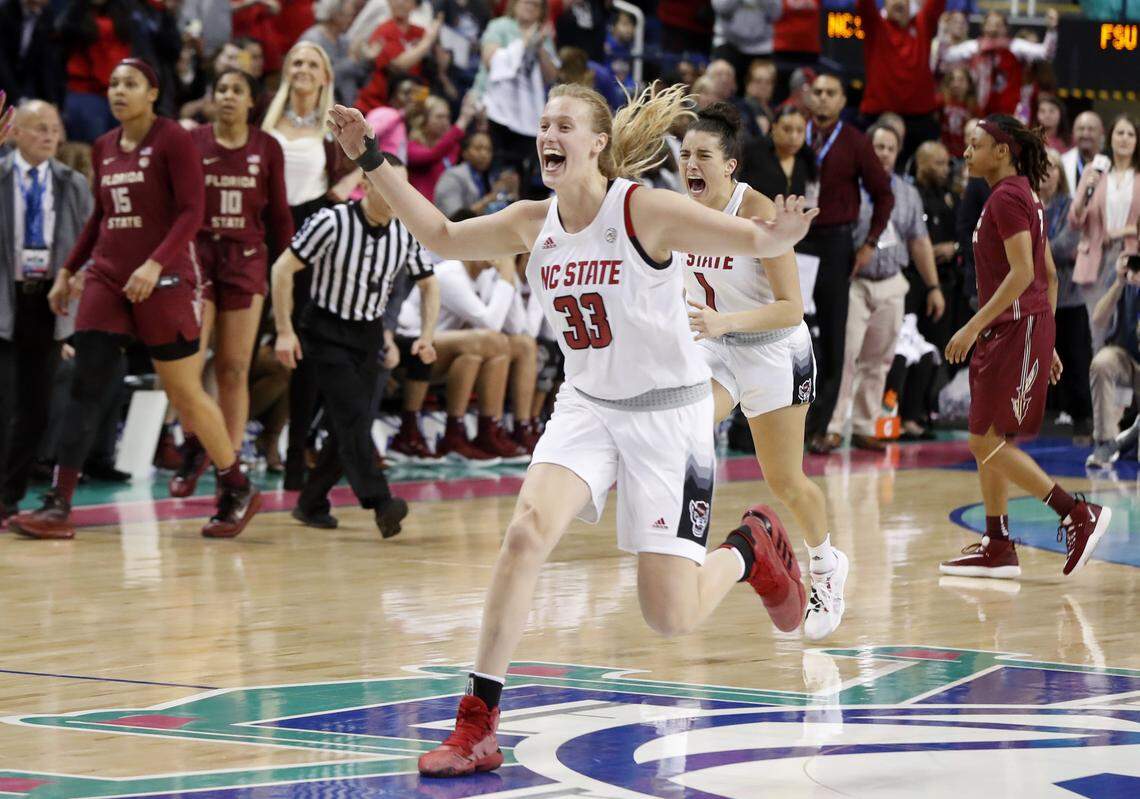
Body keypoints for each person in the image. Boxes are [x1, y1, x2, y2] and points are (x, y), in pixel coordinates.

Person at [325, 81, 817, 777]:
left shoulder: (642, 210)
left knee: (668, 615)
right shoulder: (535, 219)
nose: (547, 133)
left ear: (596, 143)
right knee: (525, 532)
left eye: (563, 123)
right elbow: (438, 233)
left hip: (669, 412)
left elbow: (748, 235)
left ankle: (750, 547)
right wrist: (369, 156)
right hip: (587, 404)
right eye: (543, 123)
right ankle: (478, 724)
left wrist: (779, 234)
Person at [7, 59, 260, 541]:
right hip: (108, 276)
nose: (119, 91)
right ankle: (59, 503)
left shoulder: (174, 140)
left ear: (152, 91)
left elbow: (192, 212)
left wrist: (155, 264)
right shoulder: (103, 147)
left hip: (165, 280)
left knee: (184, 392)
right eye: (113, 83)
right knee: (86, 383)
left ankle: (237, 485)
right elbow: (99, 218)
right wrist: (67, 270)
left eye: (131, 84)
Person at [679, 103, 846, 640]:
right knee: (685, 425)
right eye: (685, 155)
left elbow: (791, 306)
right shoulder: (683, 212)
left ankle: (825, 565)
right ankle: (683, 545)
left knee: (786, 480)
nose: (691, 165)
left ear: (730, 167)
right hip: (720, 344)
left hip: (775, 349)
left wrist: (725, 322)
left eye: (703, 155)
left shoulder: (758, 215)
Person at [939, 114, 1110, 580]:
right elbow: (1048, 275)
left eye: (975, 146)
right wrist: (1047, 338)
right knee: (991, 439)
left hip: (1011, 329)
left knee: (983, 440)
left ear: (1002, 152)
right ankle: (997, 543)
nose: (966, 153)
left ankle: (1076, 512)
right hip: (1022, 330)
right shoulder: (1021, 196)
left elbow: (1022, 275)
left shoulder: (1009, 198)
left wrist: (972, 326)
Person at [272, 158, 438, 535]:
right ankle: (380, 502)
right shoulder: (332, 221)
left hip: (369, 335)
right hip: (325, 331)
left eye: (404, 186)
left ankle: (311, 502)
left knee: (352, 423)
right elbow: (282, 269)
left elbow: (430, 284)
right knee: (353, 417)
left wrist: (426, 335)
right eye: (390, 184)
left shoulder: (405, 233)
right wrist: (284, 331)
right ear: (367, 183)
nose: (400, 195)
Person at [171, 69, 294, 497]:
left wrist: (286, 276)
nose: (227, 96)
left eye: (236, 90)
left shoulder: (268, 147)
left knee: (234, 368)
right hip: (198, 260)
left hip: (246, 263)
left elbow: (279, 218)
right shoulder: (192, 142)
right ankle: (192, 448)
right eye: (220, 89)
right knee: (188, 365)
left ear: (250, 102)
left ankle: (231, 465)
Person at [263, 40, 359, 489]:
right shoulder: (265, 117)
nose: (302, 68)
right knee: (246, 349)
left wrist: (341, 190)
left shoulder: (334, 125)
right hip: (260, 231)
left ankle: (294, 452)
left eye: (312, 63)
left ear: (325, 75)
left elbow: (370, 160)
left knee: (302, 349)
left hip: (310, 234)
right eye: (295, 61)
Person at [822, 124, 944, 452]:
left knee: (880, 359)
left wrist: (933, 285)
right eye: (877, 146)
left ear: (898, 151)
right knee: (845, 356)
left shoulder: (908, 193)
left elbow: (919, 241)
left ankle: (864, 425)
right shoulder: (849, 186)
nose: (883, 153)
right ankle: (832, 426)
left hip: (891, 282)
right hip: (854, 282)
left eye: (890, 147)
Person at [0, 100, 92, 522]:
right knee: (4, 400)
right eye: (39, 128)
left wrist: (79, 281)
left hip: (49, 301)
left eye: (55, 128)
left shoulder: (73, 183)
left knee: (35, 407)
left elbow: (91, 242)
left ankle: (8, 497)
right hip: (5, 295)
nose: (49, 135)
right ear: (15, 131)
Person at [799, 73, 894, 454]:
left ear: (842, 100)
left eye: (830, 93)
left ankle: (823, 426)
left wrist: (869, 242)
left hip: (836, 243)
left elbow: (884, 195)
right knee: (794, 335)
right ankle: (785, 422)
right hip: (795, 242)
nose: (822, 98)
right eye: (817, 92)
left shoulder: (855, 141)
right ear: (808, 97)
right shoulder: (794, 133)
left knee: (836, 338)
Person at [1037, 148, 1092, 446]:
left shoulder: (1070, 205)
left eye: (1053, 167)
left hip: (1069, 295)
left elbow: (1067, 245)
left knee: (1074, 357)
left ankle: (1083, 420)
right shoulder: (1026, 203)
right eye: (1042, 166)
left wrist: (1032, 249)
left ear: (1061, 173)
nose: (1047, 172)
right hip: (1033, 295)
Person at [1071, 114, 1140, 349]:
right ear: (1109, 138)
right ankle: (1094, 382)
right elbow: (1074, 219)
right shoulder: (1095, 171)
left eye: (1130, 134)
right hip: (1096, 259)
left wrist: (1122, 231)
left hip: (1129, 258)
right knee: (1095, 330)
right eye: (1119, 133)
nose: (1124, 138)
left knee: (1127, 329)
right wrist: (1086, 190)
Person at [856, 0, 945, 166]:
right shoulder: (876, 26)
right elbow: (864, 4)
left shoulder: (922, 25)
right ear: (884, 5)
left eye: (904, 0)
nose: (899, 3)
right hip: (878, 116)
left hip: (920, 119)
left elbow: (936, 4)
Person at [936, 10, 1058, 118]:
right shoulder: (973, 47)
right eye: (990, 24)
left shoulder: (1015, 46)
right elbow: (945, 56)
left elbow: (1046, 53)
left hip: (1011, 113)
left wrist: (1052, 30)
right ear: (983, 27)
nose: (994, 28)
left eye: (998, 24)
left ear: (1006, 28)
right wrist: (943, 29)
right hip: (980, 112)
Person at [1087, 253, 1140, 468]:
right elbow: (1098, 319)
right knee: (1102, 363)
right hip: (1127, 360)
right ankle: (1106, 441)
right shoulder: (1127, 275)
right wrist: (1119, 283)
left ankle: (1130, 435)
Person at [354, 0, 443, 111]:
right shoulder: (383, 30)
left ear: (415, 5)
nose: (400, 2)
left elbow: (436, 69)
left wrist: (438, 43)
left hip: (410, 104)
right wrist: (427, 42)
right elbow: (399, 65)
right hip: (376, 106)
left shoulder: (420, 32)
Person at [738, 104, 816, 203]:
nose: (794, 137)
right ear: (774, 128)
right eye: (787, 129)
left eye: (800, 131)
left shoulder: (806, 158)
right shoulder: (751, 152)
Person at [406, 93, 477, 199]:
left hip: (446, 210)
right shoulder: (411, 147)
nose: (445, 122)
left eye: (447, 117)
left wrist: (481, 125)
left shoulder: (452, 146)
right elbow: (433, 155)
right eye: (439, 117)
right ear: (424, 119)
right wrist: (463, 120)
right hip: (420, 210)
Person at [434, 131, 518, 217]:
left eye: (488, 150)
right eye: (478, 148)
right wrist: (490, 198)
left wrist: (513, 192)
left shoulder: (488, 177)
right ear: (465, 153)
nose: (484, 154)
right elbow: (454, 217)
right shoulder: (452, 176)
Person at [0, 0, 65, 107]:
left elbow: (44, 63)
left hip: (21, 86)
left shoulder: (46, 14)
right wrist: (17, 98)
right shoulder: (4, 11)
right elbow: (1, 61)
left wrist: (51, 102)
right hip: (6, 85)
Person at [1061, 111, 1105, 197]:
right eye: (1081, 129)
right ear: (1073, 133)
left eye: (1091, 129)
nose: (1085, 134)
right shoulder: (1062, 162)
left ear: (1101, 133)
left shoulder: (1110, 163)